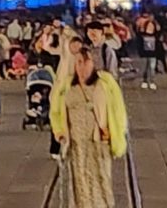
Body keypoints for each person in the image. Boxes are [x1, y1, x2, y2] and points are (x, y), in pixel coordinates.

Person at [50, 49, 127, 208]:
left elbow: (118, 110)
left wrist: (116, 133)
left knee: (100, 181)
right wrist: (58, 130)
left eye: (86, 62)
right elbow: (56, 109)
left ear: (93, 64)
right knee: (79, 183)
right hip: (76, 143)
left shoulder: (105, 84)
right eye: (79, 62)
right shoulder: (66, 86)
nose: (82, 67)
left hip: (98, 142)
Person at [137, 14, 159, 90]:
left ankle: (152, 81)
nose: (150, 28)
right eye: (149, 26)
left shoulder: (156, 36)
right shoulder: (142, 35)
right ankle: (145, 81)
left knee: (152, 67)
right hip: (145, 54)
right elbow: (139, 45)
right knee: (145, 67)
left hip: (153, 54)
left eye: (151, 26)